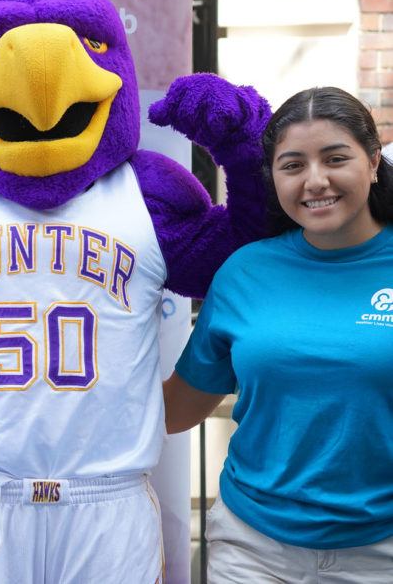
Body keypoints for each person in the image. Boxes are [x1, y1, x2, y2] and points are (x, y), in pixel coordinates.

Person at [164, 86, 393, 583]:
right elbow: (177, 409)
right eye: (292, 165)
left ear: (373, 161)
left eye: (335, 159)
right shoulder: (245, 271)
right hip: (252, 551)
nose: (315, 181)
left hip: (380, 552)